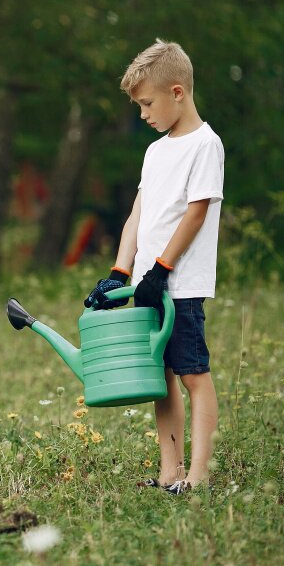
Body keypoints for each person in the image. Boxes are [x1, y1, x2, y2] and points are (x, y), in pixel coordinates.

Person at [85, 39, 223, 495]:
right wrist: (119, 274)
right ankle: (170, 473)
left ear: (178, 92)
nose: (143, 114)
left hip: (178, 285)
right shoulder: (155, 151)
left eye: (147, 103)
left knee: (192, 375)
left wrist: (162, 268)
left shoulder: (205, 145)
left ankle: (198, 478)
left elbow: (196, 213)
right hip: (147, 285)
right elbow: (138, 216)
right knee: (159, 380)